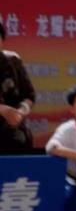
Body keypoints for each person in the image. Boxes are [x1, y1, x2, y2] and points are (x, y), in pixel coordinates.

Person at [0, 20, 38, 155]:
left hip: (12, 129)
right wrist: (2, 110)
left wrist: (21, 111)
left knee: (19, 140)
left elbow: (29, 95)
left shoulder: (13, 61)